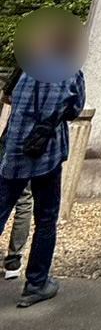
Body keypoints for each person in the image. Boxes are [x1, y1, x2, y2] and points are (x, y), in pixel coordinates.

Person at [0, 48, 85, 307]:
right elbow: (74, 108)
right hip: (46, 152)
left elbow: (8, 96)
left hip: (14, 148)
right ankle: (36, 283)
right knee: (46, 219)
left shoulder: (27, 66)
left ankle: (21, 267)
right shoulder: (69, 70)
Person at [0, 66, 32, 282]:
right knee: (24, 200)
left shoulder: (25, 65)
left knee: (3, 194)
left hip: (12, 137)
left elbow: (6, 96)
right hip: (37, 144)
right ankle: (13, 260)